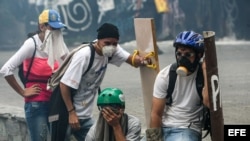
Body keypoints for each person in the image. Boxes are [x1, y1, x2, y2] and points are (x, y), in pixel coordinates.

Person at [59, 23, 147, 141]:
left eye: (114, 44)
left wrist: (143, 60)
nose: (111, 46)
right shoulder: (84, 55)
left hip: (86, 115)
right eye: (107, 43)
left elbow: (132, 60)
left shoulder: (113, 50)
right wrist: (71, 112)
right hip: (67, 115)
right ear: (98, 40)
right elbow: (64, 84)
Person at [0, 9, 69, 141]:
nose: (55, 31)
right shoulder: (32, 44)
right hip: (37, 104)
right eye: (52, 27)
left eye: (57, 28)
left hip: (55, 101)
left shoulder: (57, 43)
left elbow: (70, 65)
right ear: (41, 26)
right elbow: (6, 70)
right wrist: (22, 91)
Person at [144, 31, 210, 141]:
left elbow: (209, 103)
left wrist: (206, 70)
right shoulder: (165, 75)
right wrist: (154, 138)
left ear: (199, 55)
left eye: (188, 55)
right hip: (164, 128)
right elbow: (156, 113)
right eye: (179, 54)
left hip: (188, 129)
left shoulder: (203, 77)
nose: (182, 59)